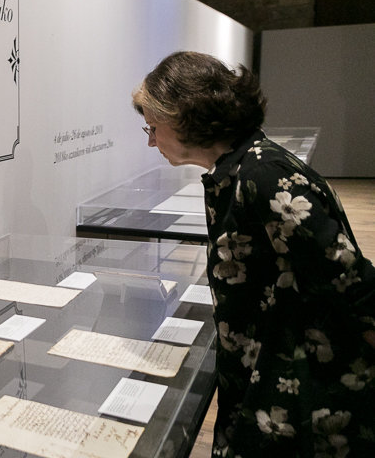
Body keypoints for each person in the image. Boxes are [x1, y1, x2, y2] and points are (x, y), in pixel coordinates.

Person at [132, 51, 375, 457]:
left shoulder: (263, 175)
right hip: (266, 376)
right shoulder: (237, 171)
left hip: (302, 395)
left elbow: (352, 284)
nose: (152, 140)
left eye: (154, 128)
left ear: (185, 117)